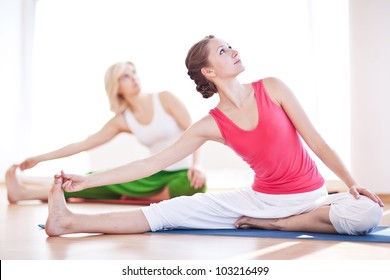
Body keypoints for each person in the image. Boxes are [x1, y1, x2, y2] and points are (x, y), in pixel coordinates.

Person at [44, 35, 384, 237]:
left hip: (313, 196)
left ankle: (279, 225)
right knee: (169, 213)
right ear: (209, 71)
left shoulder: (273, 88)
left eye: (231, 47)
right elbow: (152, 163)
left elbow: (317, 142)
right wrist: (87, 182)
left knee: (367, 211)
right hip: (260, 201)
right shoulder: (212, 123)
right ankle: (69, 221)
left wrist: (351, 182)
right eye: (223, 51)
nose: (234, 51)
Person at [5, 61, 206, 204]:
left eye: (134, 72)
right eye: (125, 76)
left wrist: (197, 165)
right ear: (116, 87)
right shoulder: (123, 120)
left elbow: (196, 131)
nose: (134, 78)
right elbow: (83, 145)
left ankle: (138, 197)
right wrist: (39, 158)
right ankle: (23, 193)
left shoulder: (165, 98)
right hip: (152, 174)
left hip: (184, 173)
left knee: (193, 186)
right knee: (91, 178)